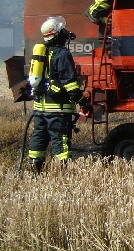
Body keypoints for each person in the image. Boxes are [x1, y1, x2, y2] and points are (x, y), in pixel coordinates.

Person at [27, 16, 91, 172]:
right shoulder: (62, 54)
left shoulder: (42, 52)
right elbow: (70, 84)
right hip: (58, 109)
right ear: (58, 34)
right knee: (60, 140)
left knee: (38, 138)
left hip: (39, 108)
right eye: (63, 30)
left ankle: (34, 169)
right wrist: (82, 101)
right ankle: (61, 172)